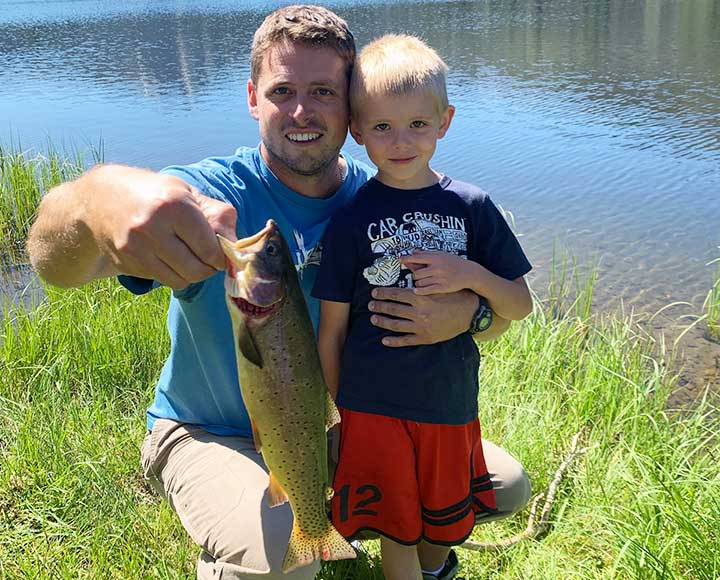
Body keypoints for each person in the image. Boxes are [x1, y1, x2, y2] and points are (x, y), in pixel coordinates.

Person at [26, 6, 531, 580]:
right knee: (287, 559)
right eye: (281, 90)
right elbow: (51, 262)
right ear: (251, 98)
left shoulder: (383, 202)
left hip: (341, 424)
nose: (301, 111)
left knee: (502, 486)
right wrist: (96, 201)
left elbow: (498, 312)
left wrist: (471, 314)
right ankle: (244, 548)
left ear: (354, 110)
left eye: (323, 91)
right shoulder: (211, 194)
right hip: (208, 432)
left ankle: (390, 538)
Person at [312, 35, 533, 580]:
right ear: (357, 131)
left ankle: (438, 567)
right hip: (373, 409)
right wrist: (342, 414)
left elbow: (520, 304)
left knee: (444, 526)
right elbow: (332, 332)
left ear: (445, 121)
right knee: (397, 530)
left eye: (417, 123)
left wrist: (472, 276)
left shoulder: (473, 207)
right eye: (382, 127)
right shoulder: (350, 219)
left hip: (450, 402)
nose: (400, 140)